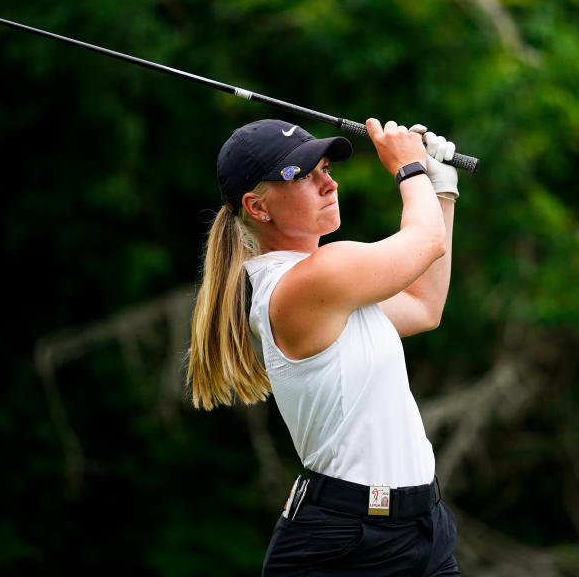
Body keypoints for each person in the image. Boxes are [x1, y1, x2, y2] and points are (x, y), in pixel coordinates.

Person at [188, 117, 461, 575]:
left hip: (423, 530)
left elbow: (423, 305)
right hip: (346, 547)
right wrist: (409, 169)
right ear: (258, 207)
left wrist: (441, 192)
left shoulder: (327, 284)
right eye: (303, 175)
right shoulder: (308, 282)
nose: (327, 183)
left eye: (325, 168)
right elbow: (425, 241)